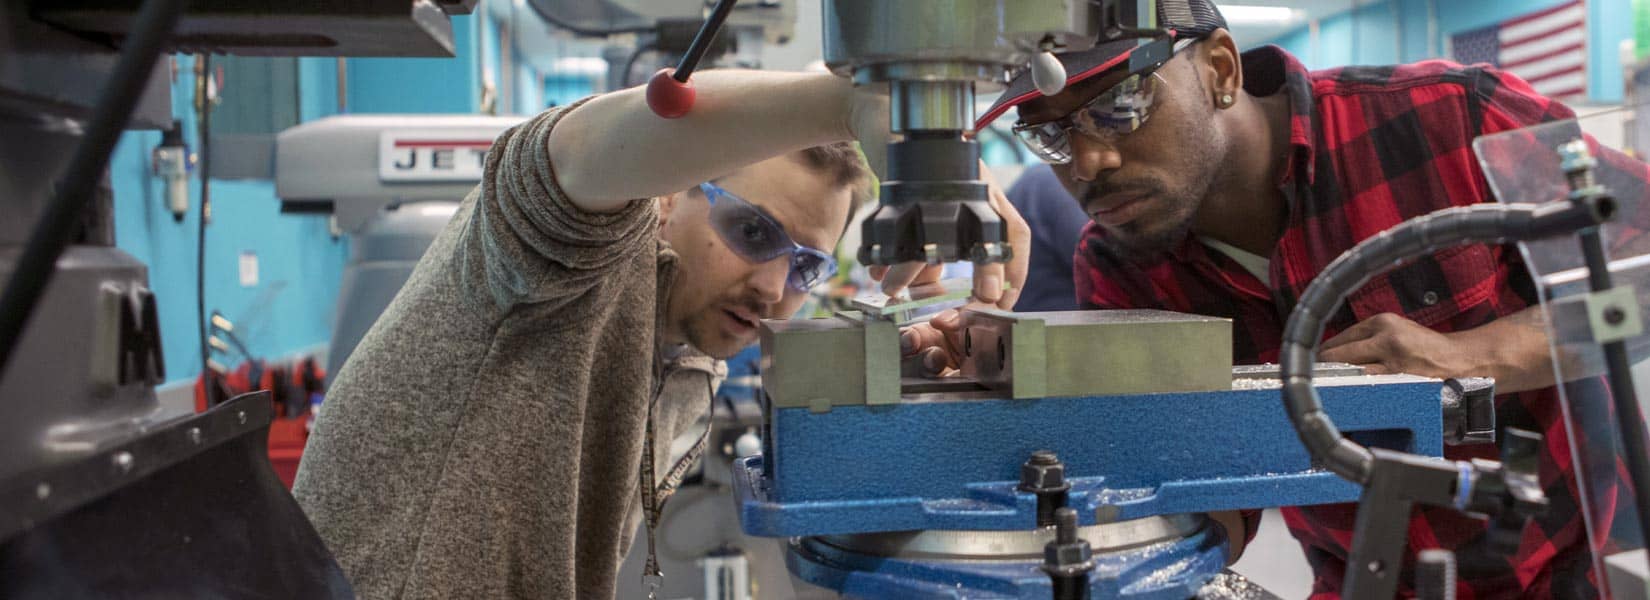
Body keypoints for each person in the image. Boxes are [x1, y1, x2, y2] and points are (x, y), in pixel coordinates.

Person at [949, 0, 1650, 596]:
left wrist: (1472, 356)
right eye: (1051, 134)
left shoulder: (1449, 117)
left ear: (1220, 71)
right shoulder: (1117, 266)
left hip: (1581, 568)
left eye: (1120, 105)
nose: (1089, 162)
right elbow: (1211, 496)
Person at [292, 72, 1030, 599]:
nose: (774, 289)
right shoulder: (564, 263)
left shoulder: (687, 333)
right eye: (752, 231)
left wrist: (877, 363)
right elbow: (570, 153)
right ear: (669, 192)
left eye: (805, 265)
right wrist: (852, 105)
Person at [1003, 164, 1089, 311]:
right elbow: (1099, 261)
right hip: (1061, 318)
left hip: (1033, 315)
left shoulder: (1038, 181)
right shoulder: (1050, 183)